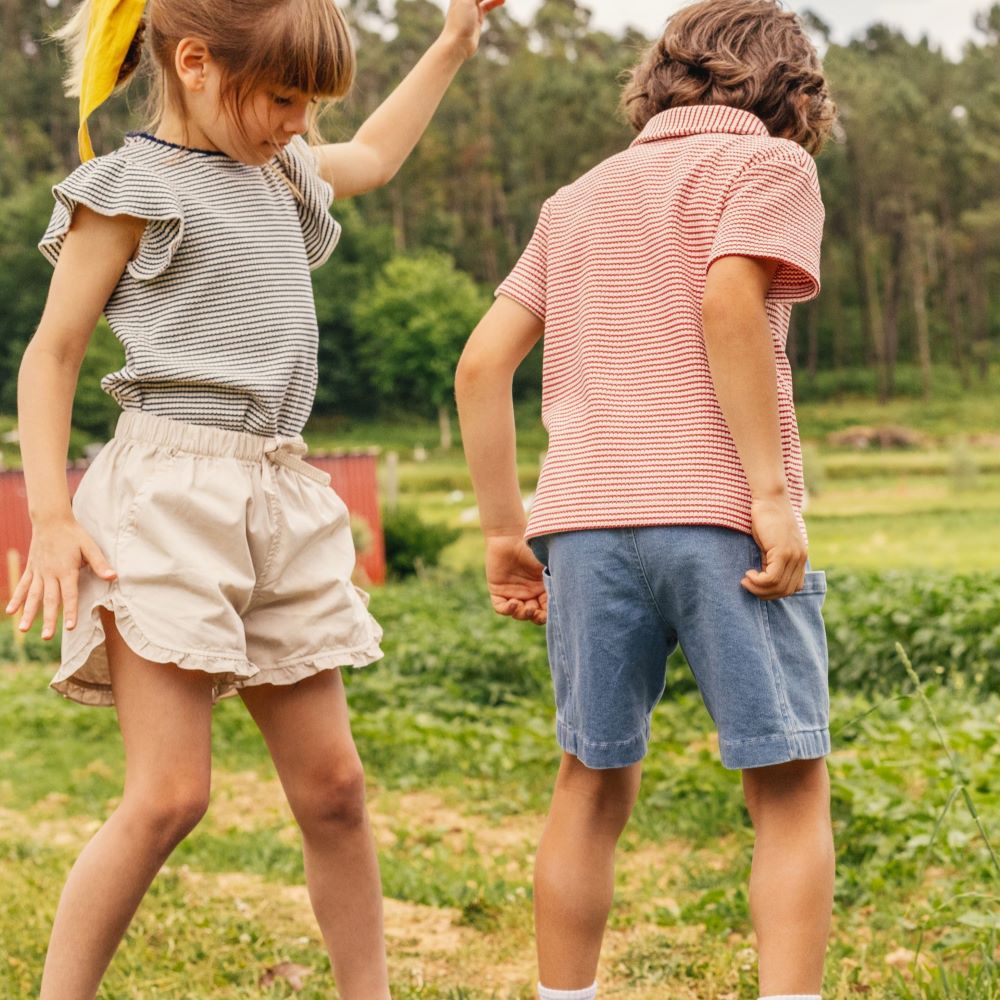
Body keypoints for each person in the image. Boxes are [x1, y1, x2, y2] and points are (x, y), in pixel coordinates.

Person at [5, 0, 501, 996]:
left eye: (307, 102)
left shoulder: (278, 173)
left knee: (336, 790)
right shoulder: (132, 186)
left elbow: (372, 156)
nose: (295, 123)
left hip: (275, 486)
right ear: (195, 63)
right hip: (167, 494)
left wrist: (451, 41)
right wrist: (50, 516)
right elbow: (51, 354)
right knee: (168, 796)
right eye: (282, 97)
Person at [455, 2, 837, 998]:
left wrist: (505, 531)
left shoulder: (577, 198)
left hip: (582, 525)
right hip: (718, 514)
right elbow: (727, 303)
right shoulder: (769, 165)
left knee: (590, 780)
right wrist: (769, 495)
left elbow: (480, 362)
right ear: (793, 91)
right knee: (789, 784)